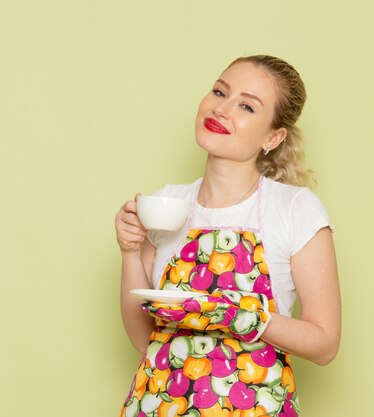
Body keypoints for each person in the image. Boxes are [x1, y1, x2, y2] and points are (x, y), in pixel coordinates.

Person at [114, 55, 341, 417]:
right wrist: (130, 250)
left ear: (273, 136)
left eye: (247, 106)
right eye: (220, 91)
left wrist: (241, 315)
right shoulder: (167, 202)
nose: (221, 109)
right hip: (158, 405)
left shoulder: (296, 209)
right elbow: (146, 339)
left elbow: (325, 344)